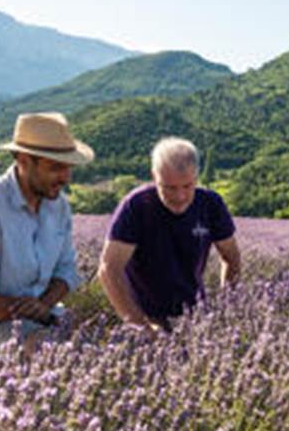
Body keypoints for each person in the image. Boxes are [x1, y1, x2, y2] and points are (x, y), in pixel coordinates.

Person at [0, 112, 93, 355]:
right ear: (24, 160)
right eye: (56, 167)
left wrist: (42, 306)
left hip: (42, 316)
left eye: (69, 168)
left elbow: (66, 270)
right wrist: (31, 311)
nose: (65, 177)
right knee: (47, 351)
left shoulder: (58, 205)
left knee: (96, 346)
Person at [98, 137, 240, 331]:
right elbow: (109, 269)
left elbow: (231, 257)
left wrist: (227, 306)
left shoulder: (210, 204)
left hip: (195, 314)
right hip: (146, 314)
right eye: (169, 188)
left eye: (188, 186)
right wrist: (140, 325)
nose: (180, 197)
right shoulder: (136, 206)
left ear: (197, 178)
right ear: (154, 177)